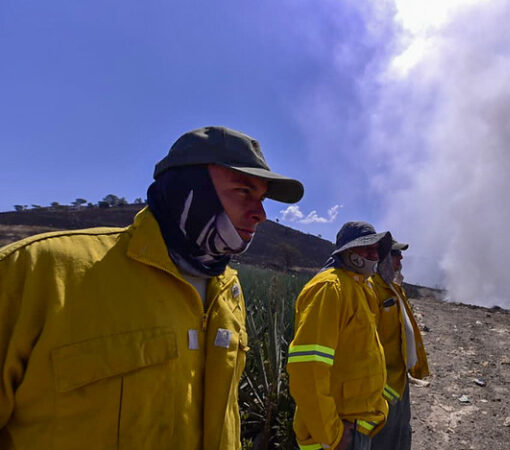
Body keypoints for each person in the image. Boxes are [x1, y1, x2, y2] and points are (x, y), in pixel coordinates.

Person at [0, 126, 303, 449]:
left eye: (262, 198)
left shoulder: (228, 291)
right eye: (244, 191)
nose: (261, 214)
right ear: (190, 188)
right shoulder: (38, 269)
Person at [287, 222, 392, 450]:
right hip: (335, 437)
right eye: (366, 249)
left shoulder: (362, 287)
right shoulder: (330, 288)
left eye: (376, 249)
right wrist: (331, 434)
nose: (374, 255)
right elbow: (308, 367)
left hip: (355, 427)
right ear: (347, 251)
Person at [370, 240, 430, 450]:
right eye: (395, 254)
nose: (401, 259)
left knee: (401, 431)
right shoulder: (371, 290)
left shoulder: (394, 289)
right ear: (382, 258)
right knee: (384, 436)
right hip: (381, 384)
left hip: (399, 378)